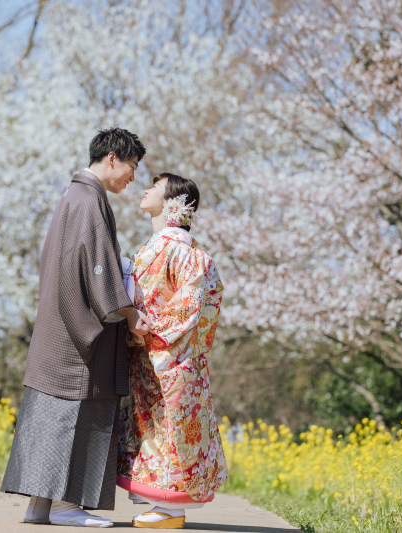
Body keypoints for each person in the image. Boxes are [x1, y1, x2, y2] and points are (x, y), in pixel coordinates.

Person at [0, 128, 153, 528]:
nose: (132, 178)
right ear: (113, 158)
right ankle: (67, 507)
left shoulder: (75, 196)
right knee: (79, 415)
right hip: (79, 336)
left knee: (53, 417)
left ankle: (40, 506)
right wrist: (128, 312)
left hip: (60, 327)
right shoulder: (89, 200)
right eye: (132, 167)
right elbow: (94, 265)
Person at [117, 173, 228, 529]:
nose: (146, 189)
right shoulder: (159, 246)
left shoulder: (180, 250)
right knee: (153, 430)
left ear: (173, 203)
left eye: (156, 186)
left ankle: (170, 509)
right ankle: (159, 504)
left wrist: (148, 329)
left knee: (171, 430)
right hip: (152, 354)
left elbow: (193, 304)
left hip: (170, 357)